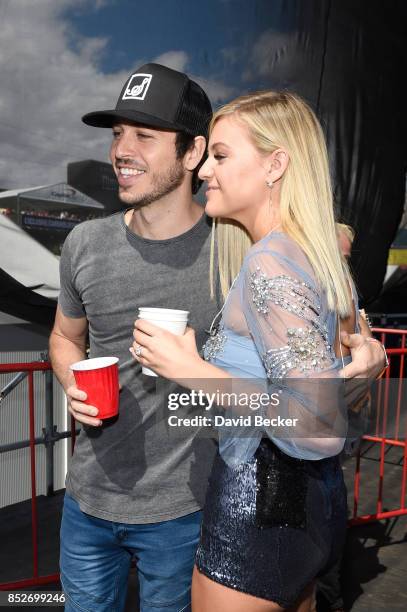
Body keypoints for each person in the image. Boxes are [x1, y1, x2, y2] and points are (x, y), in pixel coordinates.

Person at [50, 64, 386, 612]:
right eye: (116, 134)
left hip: (198, 512)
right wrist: (72, 382)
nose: (121, 150)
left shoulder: (239, 253)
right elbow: (65, 337)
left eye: (144, 135)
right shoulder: (88, 245)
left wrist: (366, 365)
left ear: (191, 151)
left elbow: (323, 396)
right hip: (90, 503)